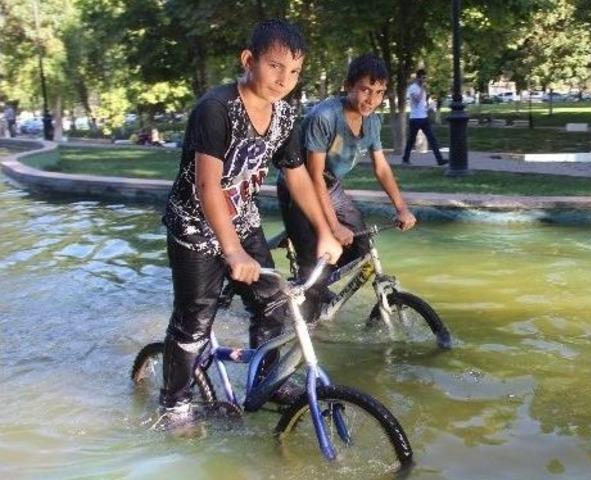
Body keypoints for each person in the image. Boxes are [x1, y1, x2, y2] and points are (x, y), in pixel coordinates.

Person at [158, 19, 342, 430]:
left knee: (275, 303)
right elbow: (208, 186)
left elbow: (295, 175)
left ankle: (268, 383)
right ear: (248, 60)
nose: (284, 79)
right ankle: (174, 402)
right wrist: (231, 250)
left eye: (294, 71)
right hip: (194, 228)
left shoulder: (283, 115)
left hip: (241, 220)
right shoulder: (216, 108)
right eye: (275, 66)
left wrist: (325, 230)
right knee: (195, 322)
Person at [277, 53, 417, 319]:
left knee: (361, 246)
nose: (372, 99)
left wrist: (402, 208)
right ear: (348, 86)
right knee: (314, 265)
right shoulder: (326, 117)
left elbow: (382, 168)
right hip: (300, 186)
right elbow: (313, 176)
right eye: (365, 90)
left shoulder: (373, 121)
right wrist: (333, 226)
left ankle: (316, 284)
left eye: (379, 92)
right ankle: (308, 290)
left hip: (330, 185)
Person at [402, 69, 447, 166]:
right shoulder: (413, 88)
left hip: (424, 117)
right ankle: (405, 159)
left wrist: (429, 107)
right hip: (415, 119)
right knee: (411, 140)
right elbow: (417, 100)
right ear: (418, 78)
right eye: (423, 78)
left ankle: (440, 160)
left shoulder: (423, 88)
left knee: (432, 139)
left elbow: (422, 103)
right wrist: (422, 88)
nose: (424, 80)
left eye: (425, 78)